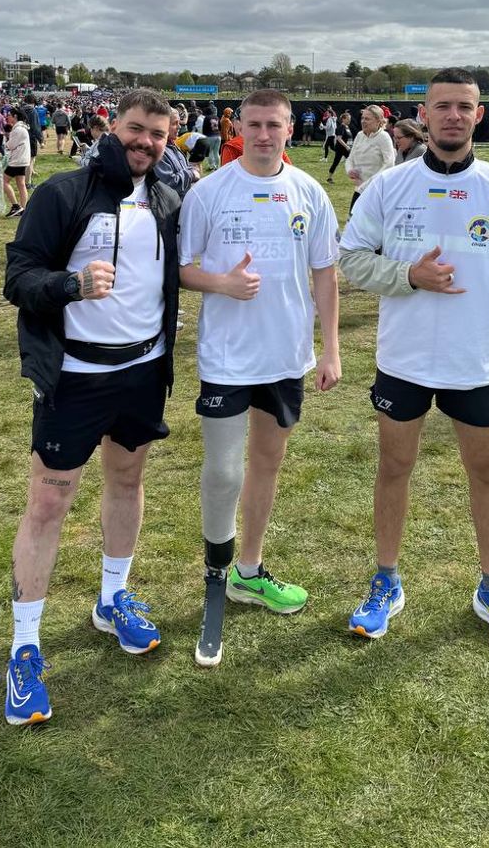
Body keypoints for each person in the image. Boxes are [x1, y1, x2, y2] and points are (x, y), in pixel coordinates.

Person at [339, 69, 489, 649]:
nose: (453, 116)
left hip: (474, 362)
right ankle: (386, 580)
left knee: (486, 471)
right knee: (394, 468)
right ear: (423, 115)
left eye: (464, 107)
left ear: (480, 116)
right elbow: (350, 258)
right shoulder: (389, 186)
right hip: (403, 360)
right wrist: (408, 275)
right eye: (442, 107)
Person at [1, 89, 181, 725]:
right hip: (75, 378)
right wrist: (69, 286)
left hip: (140, 373)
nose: (145, 143)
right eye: (136, 130)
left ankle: (113, 600)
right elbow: (16, 276)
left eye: (157, 135)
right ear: (113, 127)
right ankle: (26, 645)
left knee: (127, 482)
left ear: (167, 140)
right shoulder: (63, 192)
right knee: (48, 502)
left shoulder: (166, 199)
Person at [178, 89, 340, 668]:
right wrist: (221, 284)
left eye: (274, 124)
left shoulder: (309, 192)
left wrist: (330, 349)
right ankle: (215, 576)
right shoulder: (210, 191)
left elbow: (325, 273)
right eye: (255, 124)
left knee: (267, 465)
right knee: (223, 469)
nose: (265, 134)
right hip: (227, 358)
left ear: (291, 129)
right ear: (237, 127)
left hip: (285, 358)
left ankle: (249, 569)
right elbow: (182, 269)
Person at [345, 105, 395, 211]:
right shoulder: (359, 135)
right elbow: (350, 158)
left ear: (378, 121)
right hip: (359, 190)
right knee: (352, 222)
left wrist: (366, 185)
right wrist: (349, 170)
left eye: (367, 119)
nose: (363, 121)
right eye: (362, 118)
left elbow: (389, 164)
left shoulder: (384, 137)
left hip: (377, 192)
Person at [3, 107, 31, 217]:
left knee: (4, 181)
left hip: (17, 160)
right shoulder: (22, 128)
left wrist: (6, 141)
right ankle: (23, 208)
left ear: (15, 116)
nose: (7, 117)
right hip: (23, 160)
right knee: (21, 184)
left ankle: (16, 206)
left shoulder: (17, 129)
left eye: (9, 115)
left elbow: (10, 145)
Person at [326, 111, 353, 182]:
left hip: (347, 148)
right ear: (343, 119)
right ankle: (329, 177)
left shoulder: (347, 127)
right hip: (341, 149)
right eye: (348, 118)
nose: (349, 120)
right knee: (336, 162)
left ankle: (356, 176)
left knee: (353, 161)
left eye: (350, 118)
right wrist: (346, 146)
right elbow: (339, 138)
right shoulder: (341, 127)